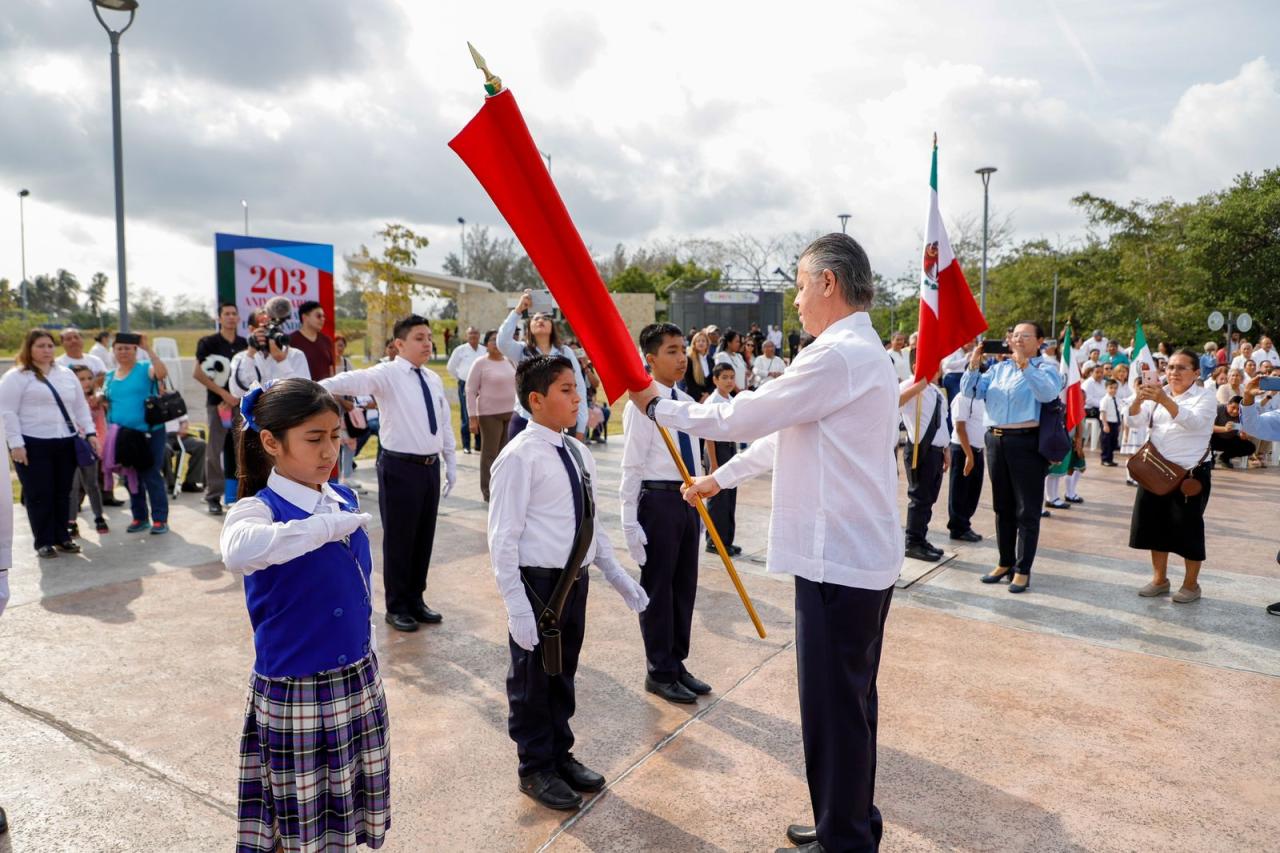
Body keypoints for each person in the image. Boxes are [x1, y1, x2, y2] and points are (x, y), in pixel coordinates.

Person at [637, 233, 902, 853]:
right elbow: (783, 436)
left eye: (802, 286)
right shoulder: (859, 353)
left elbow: (746, 414)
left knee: (834, 708)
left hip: (839, 562)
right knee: (849, 703)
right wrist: (719, 479)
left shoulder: (836, 355)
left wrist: (659, 408)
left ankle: (845, 839)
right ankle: (846, 820)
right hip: (854, 558)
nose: (798, 301)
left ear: (829, 283)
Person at [219, 379, 389, 852]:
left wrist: (370, 648)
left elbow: (358, 587)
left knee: (343, 809)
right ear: (271, 442)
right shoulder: (257, 510)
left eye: (334, 435)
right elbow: (238, 552)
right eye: (314, 438)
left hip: (356, 677)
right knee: (300, 821)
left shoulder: (342, 497)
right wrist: (324, 526)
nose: (329, 450)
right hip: (299, 690)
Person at [488, 355, 648, 811]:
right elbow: (502, 539)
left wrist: (615, 573)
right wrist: (517, 606)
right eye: (565, 389)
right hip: (538, 586)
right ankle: (535, 767)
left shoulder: (577, 451)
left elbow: (589, 522)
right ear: (536, 399)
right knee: (533, 681)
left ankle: (560, 754)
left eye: (577, 388)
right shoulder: (518, 457)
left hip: (574, 581)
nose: (578, 397)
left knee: (562, 674)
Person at [320, 315, 456, 632]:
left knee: (423, 537)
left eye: (429, 337)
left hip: (429, 467)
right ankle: (397, 606)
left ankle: (416, 599)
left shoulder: (432, 378)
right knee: (400, 539)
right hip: (400, 467)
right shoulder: (388, 374)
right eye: (419, 338)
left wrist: (450, 461)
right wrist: (315, 387)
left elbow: (445, 423)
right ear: (399, 344)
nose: (427, 343)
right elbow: (351, 380)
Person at [620, 323, 710, 706]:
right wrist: (628, 519)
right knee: (658, 588)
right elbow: (631, 465)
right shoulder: (642, 404)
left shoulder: (684, 400)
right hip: (657, 502)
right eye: (671, 351)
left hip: (687, 500)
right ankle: (659, 671)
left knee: (684, 586)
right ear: (650, 358)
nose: (680, 358)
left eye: (682, 349)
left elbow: (697, 455)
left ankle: (676, 661)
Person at [961, 322, 1063, 594]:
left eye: (1025, 336)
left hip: (1026, 442)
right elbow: (971, 392)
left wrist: (1025, 366)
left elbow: (1047, 394)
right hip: (996, 440)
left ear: (1039, 341)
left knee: (1027, 510)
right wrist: (974, 365)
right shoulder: (998, 368)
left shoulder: (1047, 368)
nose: (1017, 340)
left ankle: (1022, 569)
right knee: (1002, 506)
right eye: (1014, 335)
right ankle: (1004, 561)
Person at [0, 329, 99, 557]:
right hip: (32, 443)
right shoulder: (17, 376)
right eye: (40, 346)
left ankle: (62, 537)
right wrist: (16, 444)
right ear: (29, 348)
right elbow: (7, 412)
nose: (46, 350)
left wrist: (90, 433)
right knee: (39, 494)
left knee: (63, 492)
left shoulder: (66, 374)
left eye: (50, 346)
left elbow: (80, 406)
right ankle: (43, 541)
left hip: (65, 441)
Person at [1129, 348, 1216, 603]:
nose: (1173, 372)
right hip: (1155, 471)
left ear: (1196, 373)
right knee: (1153, 526)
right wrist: (1138, 400)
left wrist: (1164, 400)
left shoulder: (1205, 396)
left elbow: (1195, 423)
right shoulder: (1160, 392)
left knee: (1189, 530)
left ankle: (1191, 584)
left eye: (1181, 367)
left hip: (1189, 474)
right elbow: (1134, 422)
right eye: (1170, 367)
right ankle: (1160, 579)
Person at [497, 289, 589, 439]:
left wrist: (581, 425)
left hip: (558, 422)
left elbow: (579, 388)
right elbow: (502, 342)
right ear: (529, 327)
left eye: (546, 318)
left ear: (552, 326)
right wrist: (519, 309)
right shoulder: (521, 351)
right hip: (525, 419)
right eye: (536, 318)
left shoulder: (565, 352)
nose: (541, 320)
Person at [105, 332, 172, 535]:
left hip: (150, 433)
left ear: (135, 350)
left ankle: (160, 519)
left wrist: (148, 349)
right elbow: (108, 400)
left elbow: (161, 374)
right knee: (129, 477)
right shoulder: (110, 376)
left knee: (151, 474)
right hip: (124, 436)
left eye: (128, 348)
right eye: (119, 348)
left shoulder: (144, 368)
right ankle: (140, 517)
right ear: (113, 351)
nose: (123, 352)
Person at [194, 302, 248, 515]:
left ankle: (244, 495)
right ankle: (213, 496)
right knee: (214, 451)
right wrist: (224, 394)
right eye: (227, 314)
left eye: (234, 313)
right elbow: (198, 373)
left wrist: (238, 396)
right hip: (218, 405)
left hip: (240, 404)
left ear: (239, 318)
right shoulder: (208, 343)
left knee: (243, 449)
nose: (231, 317)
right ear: (219, 318)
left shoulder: (244, 344)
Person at [466, 329, 517, 502]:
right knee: (490, 454)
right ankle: (488, 491)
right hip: (489, 415)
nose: (496, 343)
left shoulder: (509, 361)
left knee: (506, 454)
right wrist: (472, 417)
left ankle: (502, 487)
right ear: (486, 344)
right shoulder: (480, 363)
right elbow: (470, 390)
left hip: (510, 413)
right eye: (493, 340)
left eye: (499, 340)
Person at [702, 364, 741, 557]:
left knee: (730, 495)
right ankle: (714, 542)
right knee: (718, 499)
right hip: (717, 450)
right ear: (715, 380)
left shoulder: (731, 399)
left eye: (732, 377)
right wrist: (714, 464)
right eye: (724, 377)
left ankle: (726, 540)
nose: (729, 381)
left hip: (730, 448)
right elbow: (709, 435)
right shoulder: (713, 401)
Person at [67, 365, 109, 537]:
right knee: (72, 486)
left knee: (91, 484)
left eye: (89, 378)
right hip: (70, 445)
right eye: (81, 379)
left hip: (89, 445)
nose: (86, 382)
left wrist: (99, 445)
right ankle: (71, 522)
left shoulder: (97, 400)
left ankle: (99, 517)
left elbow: (101, 425)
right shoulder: (68, 400)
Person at [947, 379, 986, 542]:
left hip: (978, 449)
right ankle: (957, 528)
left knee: (973, 491)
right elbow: (960, 427)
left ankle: (965, 525)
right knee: (960, 491)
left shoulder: (980, 399)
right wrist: (969, 455)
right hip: (963, 450)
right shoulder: (961, 398)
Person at [230, 317, 310, 395]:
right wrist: (250, 356)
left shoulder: (295, 354)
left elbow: (306, 392)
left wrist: (282, 361)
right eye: (266, 328)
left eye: (275, 327)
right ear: (252, 330)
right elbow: (237, 392)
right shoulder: (240, 357)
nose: (271, 333)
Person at [447, 326, 485, 455]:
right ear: (466, 336)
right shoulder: (460, 350)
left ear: (479, 336)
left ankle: (479, 444)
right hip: (465, 384)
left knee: (480, 413)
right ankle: (466, 445)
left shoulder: (484, 350)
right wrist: (460, 378)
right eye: (471, 334)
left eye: (475, 333)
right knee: (466, 414)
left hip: (481, 386)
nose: (473, 336)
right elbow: (451, 367)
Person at [288, 300, 335, 381]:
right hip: (301, 388)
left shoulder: (326, 340)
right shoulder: (290, 341)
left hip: (324, 388)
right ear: (305, 317)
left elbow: (331, 371)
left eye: (324, 316)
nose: (322, 319)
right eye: (318, 316)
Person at [1045, 419, 1086, 509]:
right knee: (1053, 471)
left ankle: (1055, 497)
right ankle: (1051, 498)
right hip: (1058, 434)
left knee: (1059, 471)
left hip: (1066, 435)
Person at [163, 415, 206, 495]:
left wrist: (183, 427)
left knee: (200, 445)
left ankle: (190, 482)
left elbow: (184, 420)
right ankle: (170, 484)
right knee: (164, 449)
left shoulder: (177, 406)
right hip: (162, 437)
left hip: (180, 436)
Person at [1211, 396, 1256, 468]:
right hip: (1214, 438)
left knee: (1250, 447)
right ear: (1228, 404)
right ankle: (1210, 459)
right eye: (1233, 407)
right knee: (1206, 437)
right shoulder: (1218, 409)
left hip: (1231, 439)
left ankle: (1224, 457)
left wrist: (1245, 435)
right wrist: (1224, 429)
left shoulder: (1244, 415)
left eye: (1239, 409)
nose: (1235, 411)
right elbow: (1208, 427)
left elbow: (1251, 431)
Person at [682, 330, 715, 401]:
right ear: (694, 344)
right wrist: (701, 396)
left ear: (707, 344)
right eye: (698, 341)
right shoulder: (689, 359)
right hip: (693, 398)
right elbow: (689, 381)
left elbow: (714, 380)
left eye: (703, 341)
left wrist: (707, 394)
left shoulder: (711, 360)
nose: (701, 343)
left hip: (709, 398)